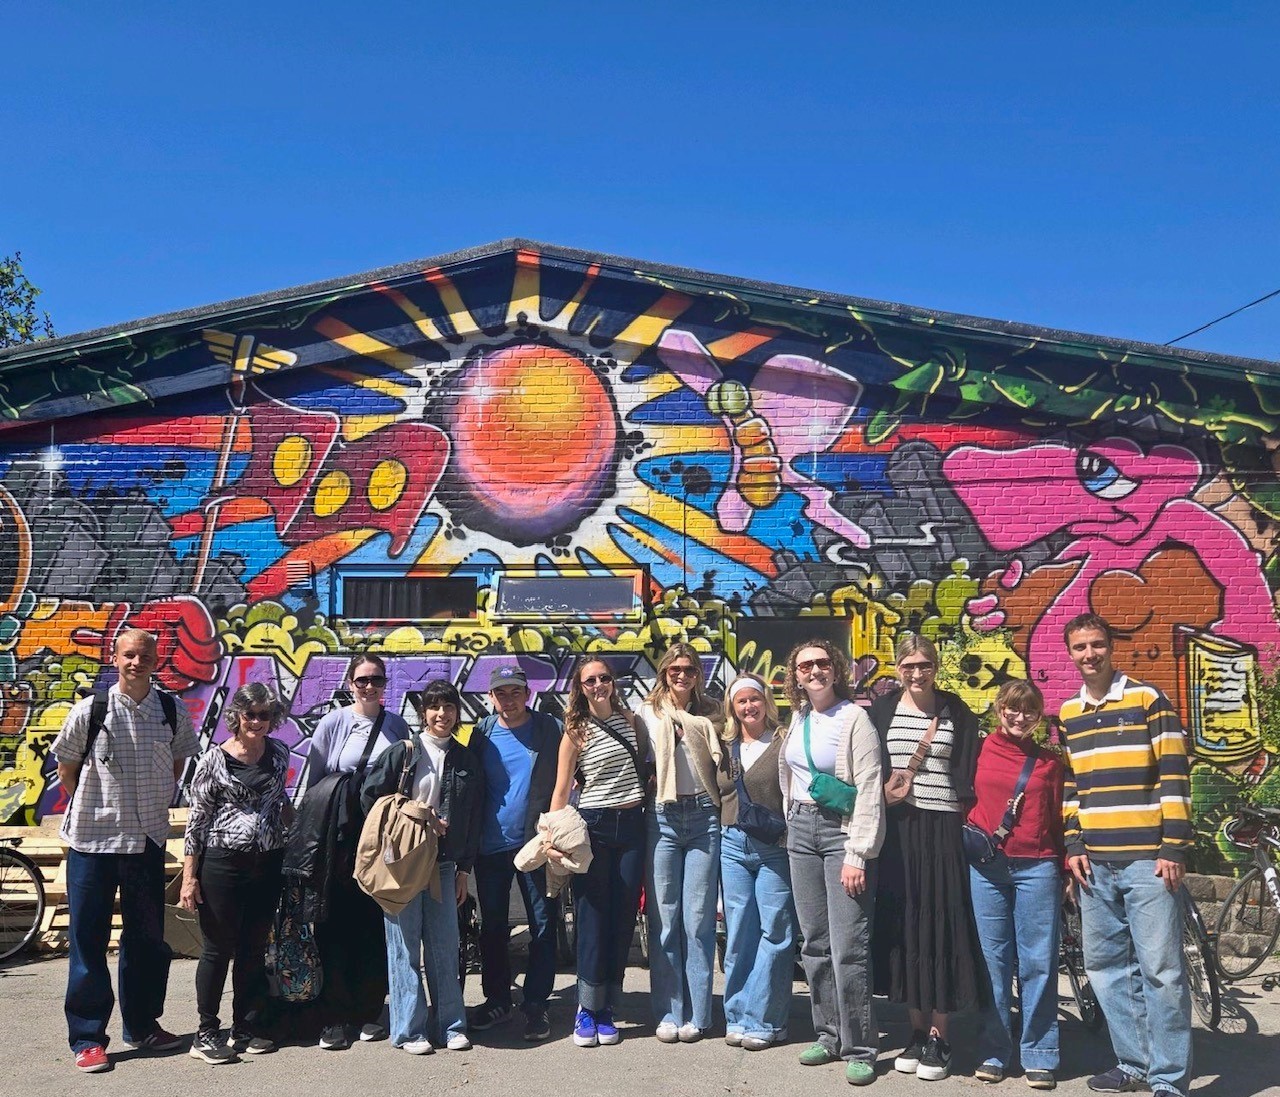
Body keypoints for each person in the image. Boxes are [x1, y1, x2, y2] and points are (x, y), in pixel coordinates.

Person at [51, 627, 200, 1074]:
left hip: (147, 841)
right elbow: (67, 770)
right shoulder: (90, 710)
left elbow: (176, 764)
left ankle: (143, 1025)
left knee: (147, 940)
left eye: (145, 656)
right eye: (129, 655)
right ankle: (88, 1037)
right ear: (115, 659)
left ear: (157, 661)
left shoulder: (171, 711)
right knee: (87, 940)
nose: (137, 662)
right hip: (93, 842)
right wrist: (101, 807)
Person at [1059, 613, 1193, 1097]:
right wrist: (1073, 843)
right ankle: (1133, 1064)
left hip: (1147, 860)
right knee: (1106, 969)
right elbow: (1072, 785)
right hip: (1095, 862)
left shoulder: (1147, 699)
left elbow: (1174, 773)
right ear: (1070, 653)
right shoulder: (1069, 712)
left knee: (1161, 971)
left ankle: (1169, 1079)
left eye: (1097, 645)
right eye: (1080, 647)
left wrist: (1173, 845)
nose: (1089, 654)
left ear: (1111, 647)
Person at [869, 632, 984, 1083]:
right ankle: (916, 1032)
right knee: (907, 928)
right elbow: (866, 767)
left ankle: (941, 1035)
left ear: (936, 667)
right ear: (897, 668)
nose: (917, 673)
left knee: (940, 928)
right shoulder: (880, 711)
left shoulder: (955, 711)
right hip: (898, 832)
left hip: (943, 832)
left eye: (924, 665)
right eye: (908, 665)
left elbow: (972, 767)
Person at [781, 640, 885, 1086]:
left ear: (835, 668)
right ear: (796, 675)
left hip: (841, 833)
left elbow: (870, 786)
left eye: (822, 663)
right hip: (800, 832)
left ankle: (860, 1046)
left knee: (848, 947)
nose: (815, 671)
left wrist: (858, 852)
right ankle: (828, 1034)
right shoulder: (799, 717)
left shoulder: (854, 718)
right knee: (814, 943)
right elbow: (793, 775)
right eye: (806, 665)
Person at [360, 679, 483, 1055]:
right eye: (434, 707)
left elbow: (472, 818)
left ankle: (452, 1026)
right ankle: (409, 1031)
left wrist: (464, 869)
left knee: (445, 948)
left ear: (457, 713)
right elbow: (372, 798)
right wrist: (409, 823)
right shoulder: (404, 752)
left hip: (445, 865)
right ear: (423, 713)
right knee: (404, 948)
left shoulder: (465, 759)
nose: (442, 714)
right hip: (404, 864)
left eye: (448, 707)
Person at [180, 683, 291, 1064]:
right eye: (250, 715)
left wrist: (297, 844)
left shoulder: (279, 752)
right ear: (237, 717)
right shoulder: (214, 760)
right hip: (223, 862)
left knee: (254, 948)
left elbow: (281, 802)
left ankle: (247, 1025)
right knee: (217, 948)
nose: (257, 722)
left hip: (268, 860)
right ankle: (206, 1032)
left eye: (264, 715)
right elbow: (197, 820)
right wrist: (190, 877)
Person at [304, 653, 410, 1051]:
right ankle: (334, 1016)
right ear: (350, 683)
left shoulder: (396, 725)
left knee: (372, 922)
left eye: (377, 680)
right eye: (362, 680)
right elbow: (313, 784)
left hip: (380, 835)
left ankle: (369, 1010)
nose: (369, 687)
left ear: (386, 685)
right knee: (333, 923)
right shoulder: (334, 723)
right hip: (339, 836)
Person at [967, 680, 1065, 1090]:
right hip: (987, 866)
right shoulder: (977, 751)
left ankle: (1039, 1052)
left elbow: (1059, 817)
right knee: (993, 962)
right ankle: (995, 1049)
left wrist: (1065, 871)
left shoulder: (1049, 763)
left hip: (1038, 866)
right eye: (1012, 708)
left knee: (1038, 961)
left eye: (1029, 711)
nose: (1020, 717)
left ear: (1038, 716)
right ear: (998, 708)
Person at [549, 657, 647, 1048]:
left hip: (633, 827)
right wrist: (553, 838)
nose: (599, 684)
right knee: (591, 916)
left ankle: (609, 1007)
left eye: (604, 677)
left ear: (613, 682)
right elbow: (560, 790)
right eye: (590, 680)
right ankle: (586, 1009)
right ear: (580, 686)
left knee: (623, 917)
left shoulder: (632, 721)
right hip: (594, 827)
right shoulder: (575, 731)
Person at [466, 665, 563, 1042]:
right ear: (491, 698)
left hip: (536, 845)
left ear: (528, 694)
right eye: (501, 693)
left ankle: (537, 1004)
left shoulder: (548, 729)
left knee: (543, 924)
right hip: (490, 846)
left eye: (515, 692)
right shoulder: (482, 734)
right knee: (493, 927)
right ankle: (497, 1000)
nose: (509, 699)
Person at [641, 642, 728, 1044]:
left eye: (689, 669)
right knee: (664, 918)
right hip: (662, 816)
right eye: (674, 669)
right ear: (664, 672)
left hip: (704, 816)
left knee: (697, 920)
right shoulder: (648, 712)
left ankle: (699, 1012)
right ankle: (668, 1010)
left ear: (698, 674)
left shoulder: (712, 711)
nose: (681, 675)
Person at [720, 673, 795, 1052]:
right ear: (732, 708)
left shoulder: (785, 740)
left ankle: (767, 1018)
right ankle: (737, 1014)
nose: (749, 707)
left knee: (776, 932)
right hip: (732, 843)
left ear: (766, 700)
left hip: (774, 845)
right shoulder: (726, 743)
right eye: (741, 701)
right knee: (740, 931)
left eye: (754, 699)